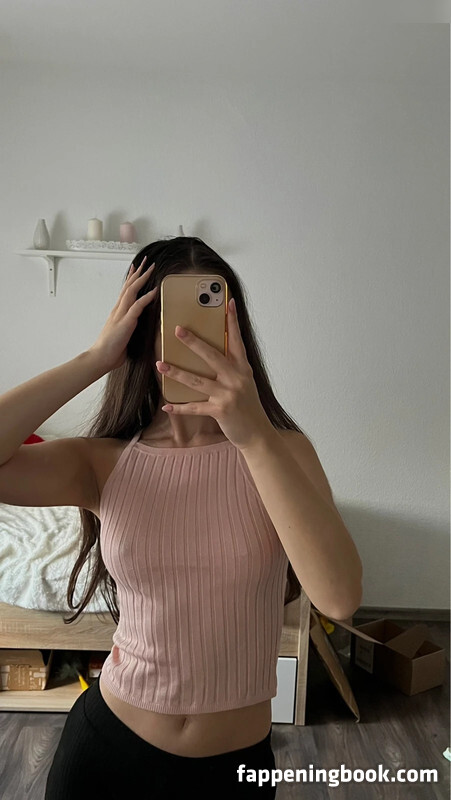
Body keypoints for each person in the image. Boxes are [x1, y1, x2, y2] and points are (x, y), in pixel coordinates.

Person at [0, 237, 362, 799]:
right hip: (107, 754)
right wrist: (94, 359)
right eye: (171, 324)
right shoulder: (103, 462)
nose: (193, 340)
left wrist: (252, 436)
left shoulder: (282, 451)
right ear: (142, 336)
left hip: (234, 772)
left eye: (210, 320)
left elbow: (339, 598)